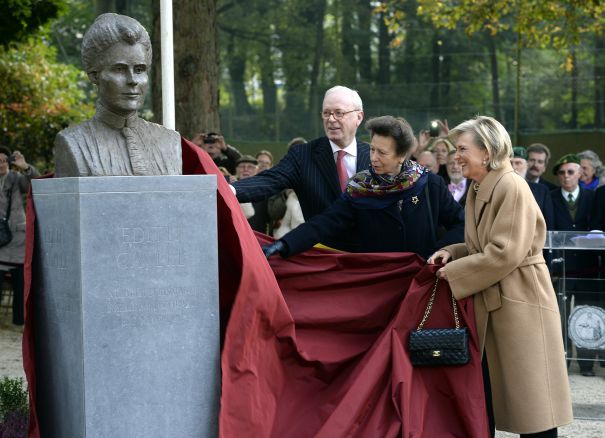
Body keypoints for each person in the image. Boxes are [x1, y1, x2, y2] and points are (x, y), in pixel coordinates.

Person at [427, 116, 572, 437]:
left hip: (522, 301)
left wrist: (454, 273)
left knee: (535, 404)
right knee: (499, 396)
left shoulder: (510, 185)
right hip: (501, 301)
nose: (456, 156)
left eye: (463, 149)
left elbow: (505, 251)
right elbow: (486, 243)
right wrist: (454, 250)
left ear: (487, 151)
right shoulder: (482, 186)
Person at [262, 116, 464, 260]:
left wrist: (443, 251)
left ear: (402, 155)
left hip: (422, 286)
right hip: (378, 288)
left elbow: (461, 223)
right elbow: (323, 223)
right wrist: (284, 245)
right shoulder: (360, 188)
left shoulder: (430, 184)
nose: (373, 157)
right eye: (372, 149)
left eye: (381, 153)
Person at [232, 86, 370, 252]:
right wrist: (229, 189)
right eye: (326, 113)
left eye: (339, 113)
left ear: (359, 117)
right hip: (323, 255)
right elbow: (270, 180)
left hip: (372, 256)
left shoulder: (374, 156)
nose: (331, 119)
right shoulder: (303, 155)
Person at [54, 13, 181, 177]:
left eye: (139, 70)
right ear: (94, 75)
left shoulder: (170, 141)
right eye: (119, 69)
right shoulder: (72, 142)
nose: (132, 80)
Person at [550, 153, 600, 376]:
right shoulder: (550, 197)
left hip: (588, 269)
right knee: (558, 316)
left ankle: (587, 364)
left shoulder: (593, 197)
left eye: (571, 172)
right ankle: (561, 362)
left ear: (580, 173)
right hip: (561, 268)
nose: (566, 177)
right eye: (561, 173)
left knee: (587, 314)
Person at [0, 147, 40, 325]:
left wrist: (25, 167)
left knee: (19, 283)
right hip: (0, 241)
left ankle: (19, 322)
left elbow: (36, 182)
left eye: (3, 160)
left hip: (16, 238)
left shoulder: (16, 179)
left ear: (8, 162)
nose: (0, 164)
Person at [511, 146, 554, 229]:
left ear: (526, 165)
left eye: (518, 163)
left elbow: (548, 223)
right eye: (510, 163)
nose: (513, 167)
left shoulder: (542, 190)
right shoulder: (498, 188)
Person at [235, 155, 270, 233]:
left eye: (250, 167)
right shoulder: (229, 189)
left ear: (256, 170)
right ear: (236, 170)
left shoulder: (264, 190)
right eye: (242, 166)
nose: (246, 169)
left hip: (259, 237)